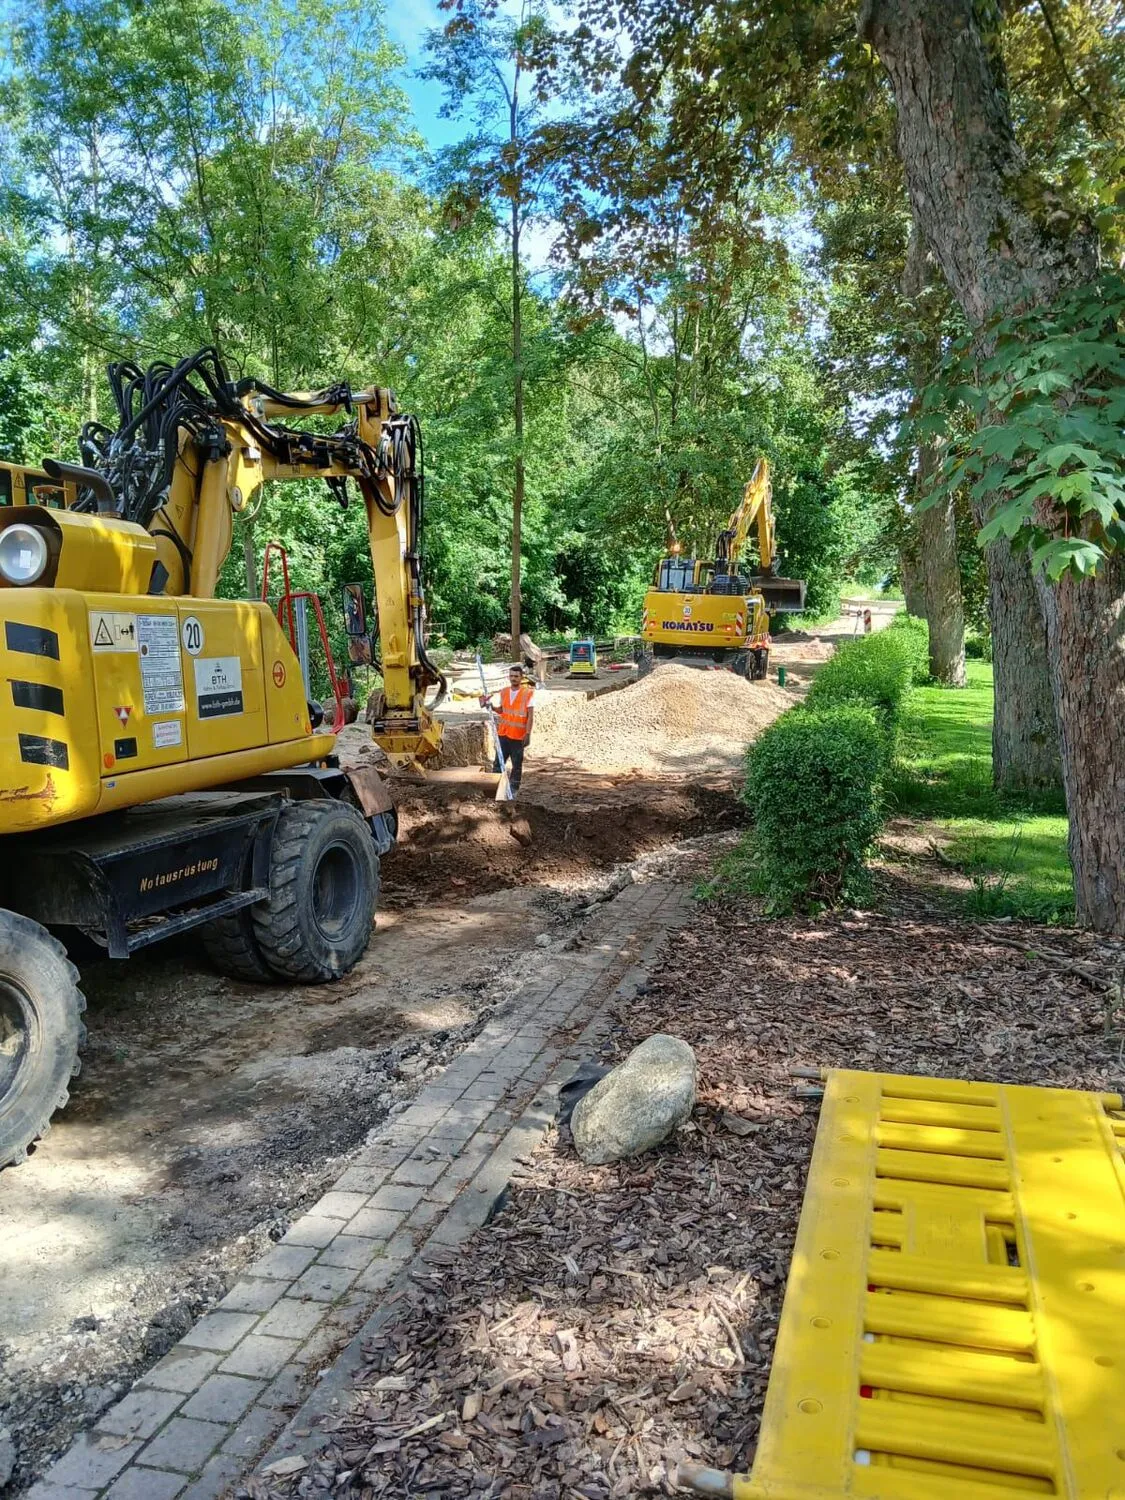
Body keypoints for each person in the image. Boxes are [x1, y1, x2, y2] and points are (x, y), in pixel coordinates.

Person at [480, 664, 535, 794]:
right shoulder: (504, 692)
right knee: (498, 762)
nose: (513, 678)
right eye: (511, 676)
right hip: (503, 734)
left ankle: (513, 789)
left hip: (518, 736)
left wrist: (528, 734)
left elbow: (530, 717)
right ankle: (494, 788)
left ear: (521, 677)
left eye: (516, 676)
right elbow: (502, 710)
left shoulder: (528, 693)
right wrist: (492, 707)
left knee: (516, 765)